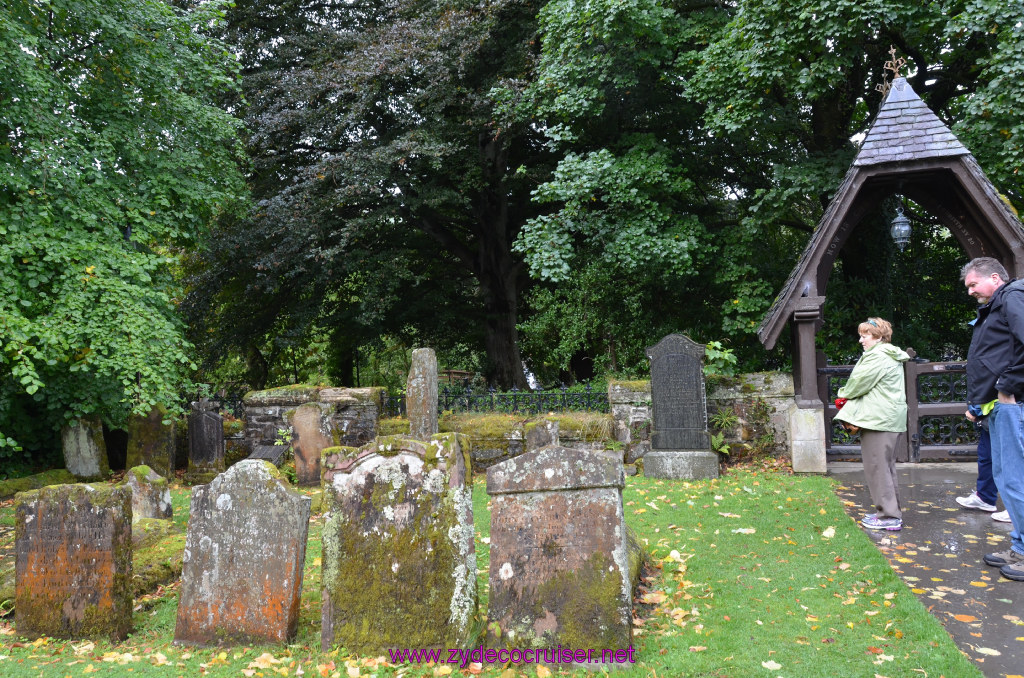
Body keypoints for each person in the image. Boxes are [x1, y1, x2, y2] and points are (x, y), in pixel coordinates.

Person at [962, 257, 1024, 580]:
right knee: (1005, 480)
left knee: (1015, 481)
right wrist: (978, 401)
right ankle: (1019, 546)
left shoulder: (1013, 296)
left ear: (995, 278)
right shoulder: (996, 306)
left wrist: (1007, 386)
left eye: (974, 284)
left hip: (1012, 404)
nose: (970, 291)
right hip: (998, 406)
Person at [834, 317, 910, 531]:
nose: (861, 340)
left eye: (864, 336)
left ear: (878, 337)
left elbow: (857, 383)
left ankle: (888, 517)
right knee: (885, 468)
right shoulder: (888, 354)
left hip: (878, 420)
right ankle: (891, 513)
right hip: (887, 419)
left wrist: (842, 396)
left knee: (877, 468)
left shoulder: (877, 356)